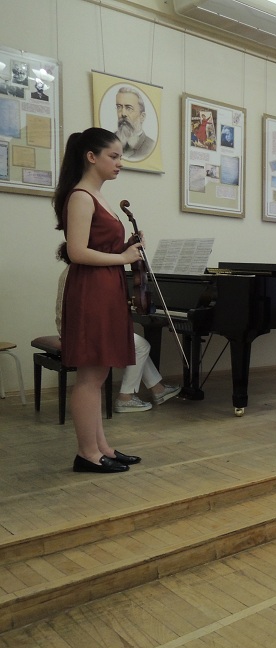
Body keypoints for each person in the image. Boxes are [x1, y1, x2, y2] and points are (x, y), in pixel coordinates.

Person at [53, 127, 145, 473]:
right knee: (90, 377)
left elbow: (99, 246)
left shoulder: (97, 195)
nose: (120, 163)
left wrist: (126, 248)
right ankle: (86, 453)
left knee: (100, 374)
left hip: (106, 288)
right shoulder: (81, 196)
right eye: (114, 156)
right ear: (91, 157)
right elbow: (77, 252)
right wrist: (123, 257)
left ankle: (101, 447)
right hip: (91, 291)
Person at [55, 263, 180, 413]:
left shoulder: (72, 271)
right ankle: (125, 398)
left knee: (137, 345)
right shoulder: (86, 275)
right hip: (83, 333)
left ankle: (158, 389)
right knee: (141, 346)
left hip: (74, 329)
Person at [114, 87, 155, 161]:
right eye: (119, 107)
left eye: (129, 108)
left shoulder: (150, 146)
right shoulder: (109, 141)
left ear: (142, 117)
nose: (123, 113)